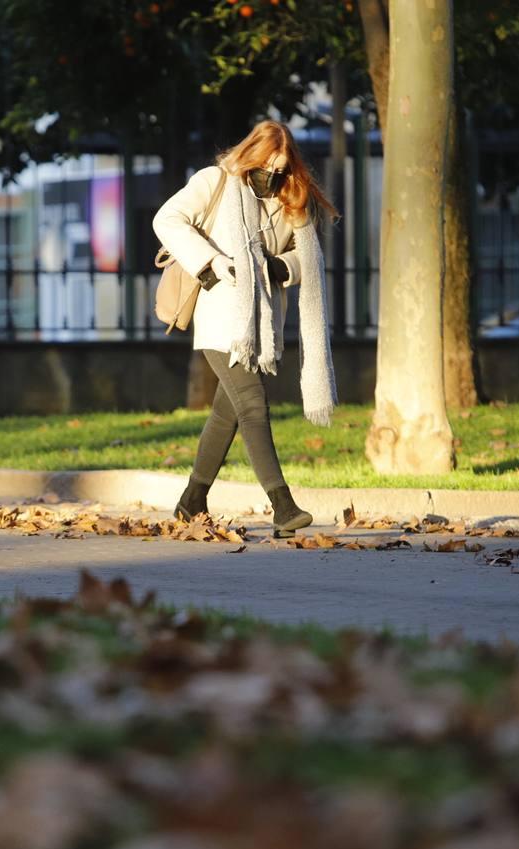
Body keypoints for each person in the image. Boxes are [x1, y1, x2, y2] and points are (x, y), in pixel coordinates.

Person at [152, 120, 338, 537]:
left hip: (264, 326)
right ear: (249, 157)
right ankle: (283, 506)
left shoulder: (290, 199)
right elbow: (167, 219)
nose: (271, 176)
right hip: (223, 322)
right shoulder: (214, 182)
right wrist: (211, 262)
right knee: (253, 406)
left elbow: (309, 260)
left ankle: (191, 501)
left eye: (280, 168)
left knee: (226, 414)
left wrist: (280, 267)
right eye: (265, 166)